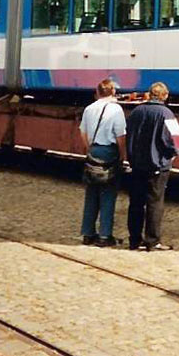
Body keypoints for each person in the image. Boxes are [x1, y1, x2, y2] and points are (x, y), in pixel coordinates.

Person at [126, 82, 178, 251]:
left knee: (136, 202)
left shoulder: (136, 112)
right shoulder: (167, 114)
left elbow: (128, 135)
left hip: (137, 164)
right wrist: (172, 154)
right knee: (155, 203)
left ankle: (134, 240)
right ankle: (152, 240)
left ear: (149, 94)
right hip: (157, 165)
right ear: (165, 96)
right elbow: (176, 140)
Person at [78, 79, 127, 247]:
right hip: (109, 152)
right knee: (108, 194)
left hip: (93, 150)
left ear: (97, 92)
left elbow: (83, 132)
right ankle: (105, 236)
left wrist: (90, 149)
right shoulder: (116, 109)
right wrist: (122, 156)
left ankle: (87, 234)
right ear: (113, 92)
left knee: (91, 193)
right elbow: (120, 136)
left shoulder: (89, 108)